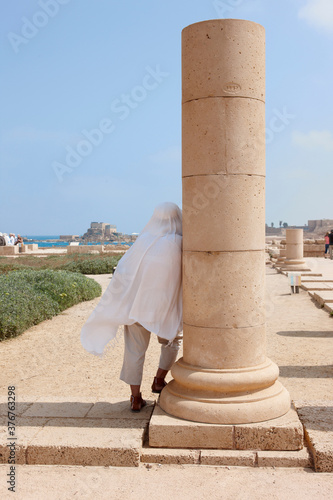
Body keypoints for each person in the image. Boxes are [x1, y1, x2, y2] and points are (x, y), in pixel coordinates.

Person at [81, 202, 183, 412]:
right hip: (165, 307)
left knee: (134, 350)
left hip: (137, 307)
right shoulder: (179, 242)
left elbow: (123, 271)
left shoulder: (143, 241)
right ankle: (158, 380)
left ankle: (135, 398)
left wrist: (122, 301)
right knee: (172, 341)